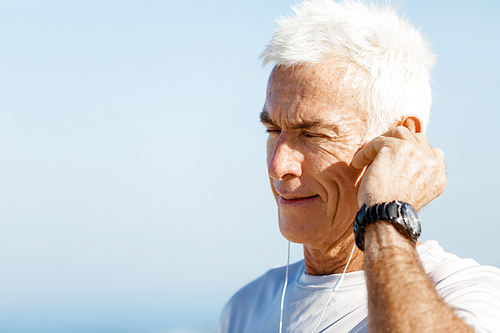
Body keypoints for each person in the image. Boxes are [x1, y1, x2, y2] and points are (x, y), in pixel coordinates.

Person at [220, 1, 500, 332]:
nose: (278, 165)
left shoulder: (468, 294)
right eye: (272, 130)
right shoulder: (246, 307)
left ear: (399, 141)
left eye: (312, 134)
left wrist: (387, 212)